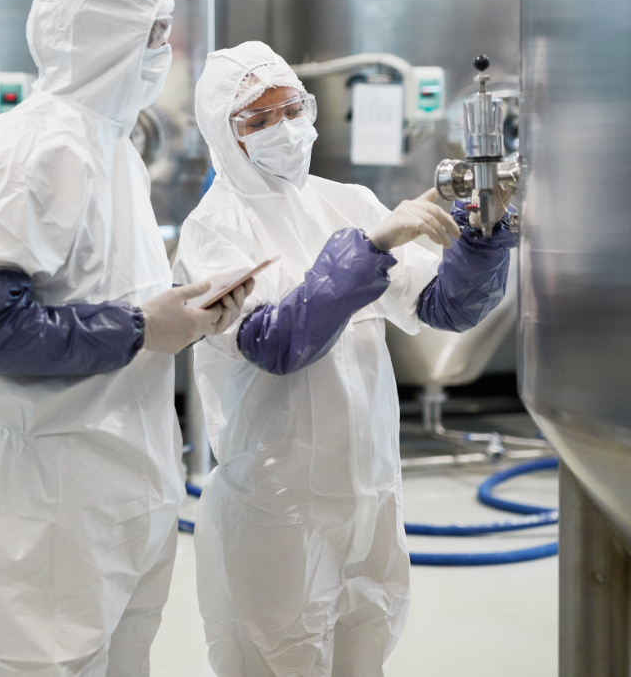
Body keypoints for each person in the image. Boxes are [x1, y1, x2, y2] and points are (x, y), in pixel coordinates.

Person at [0, 0, 249, 677]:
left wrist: (188, 312)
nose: (165, 52)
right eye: (154, 31)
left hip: (131, 470)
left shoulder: (115, 150)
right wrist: (143, 328)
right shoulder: (28, 149)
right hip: (55, 493)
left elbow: (102, 297)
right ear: (108, 36)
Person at [173, 41, 516, 677]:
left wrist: (482, 242)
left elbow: (442, 307)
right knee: (282, 657)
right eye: (257, 119)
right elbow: (279, 342)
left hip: (369, 496)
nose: (283, 127)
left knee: (364, 654)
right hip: (279, 505)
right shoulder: (214, 229)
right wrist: (375, 244)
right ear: (226, 135)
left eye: (291, 108)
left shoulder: (347, 201)